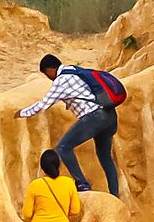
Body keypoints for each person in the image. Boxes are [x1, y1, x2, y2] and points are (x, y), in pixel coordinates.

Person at [19, 52, 123, 195]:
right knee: (105, 157)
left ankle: (82, 184)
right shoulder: (74, 70)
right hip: (109, 114)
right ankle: (115, 195)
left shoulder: (62, 81)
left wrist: (22, 113)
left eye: (46, 74)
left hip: (94, 117)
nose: (48, 77)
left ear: (50, 70)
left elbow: (44, 104)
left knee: (63, 147)